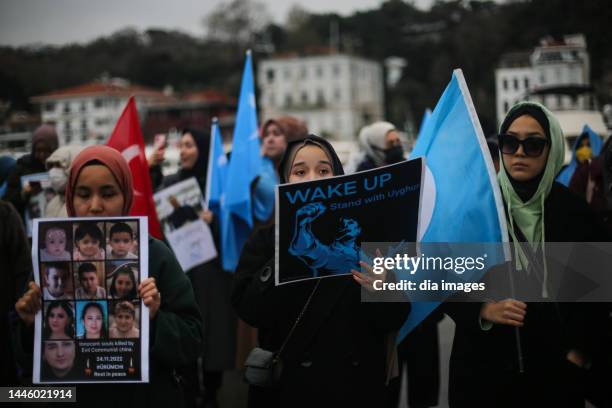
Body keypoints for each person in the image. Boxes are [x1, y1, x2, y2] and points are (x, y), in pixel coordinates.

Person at [443, 102, 608, 408]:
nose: (519, 152)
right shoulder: (479, 210)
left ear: (553, 148)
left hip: (555, 380)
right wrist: (482, 309)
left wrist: (577, 357)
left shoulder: (575, 214)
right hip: (482, 377)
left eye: (533, 144)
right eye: (509, 142)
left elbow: (597, 302)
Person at [232, 135, 411, 407]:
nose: (313, 178)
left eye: (324, 170)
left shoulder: (366, 241)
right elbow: (248, 309)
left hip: (355, 388)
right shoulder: (266, 241)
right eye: (300, 171)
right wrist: (280, 256)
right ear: (285, 182)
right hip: (289, 389)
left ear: (339, 178)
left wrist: (384, 288)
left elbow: (394, 319)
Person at [15, 145, 202, 405]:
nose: (94, 206)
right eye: (83, 194)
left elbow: (192, 340)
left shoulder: (155, 254)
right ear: (70, 197)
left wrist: (154, 319)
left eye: (108, 193)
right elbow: (28, 361)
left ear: (125, 195)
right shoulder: (50, 259)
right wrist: (29, 324)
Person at [157, 128, 234, 407]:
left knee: (215, 334)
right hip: (181, 270)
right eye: (181, 146)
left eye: (189, 145)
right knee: (185, 328)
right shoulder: (171, 183)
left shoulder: (218, 185)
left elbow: (234, 227)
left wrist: (214, 221)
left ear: (203, 148)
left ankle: (212, 393)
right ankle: (188, 392)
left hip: (211, 272)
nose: (184, 151)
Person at [253, 117, 308, 225]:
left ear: (292, 138)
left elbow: (272, 193)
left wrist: (262, 160)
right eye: (266, 135)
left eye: (276, 134)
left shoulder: (306, 171)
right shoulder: (262, 167)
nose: (269, 139)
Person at [4, 124, 59, 223]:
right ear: (33, 150)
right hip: (28, 228)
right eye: (38, 150)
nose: (42, 155)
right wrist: (23, 194)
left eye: (46, 151)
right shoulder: (22, 167)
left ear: (54, 149)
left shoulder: (60, 166)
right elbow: (7, 201)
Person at [44, 145, 83, 217]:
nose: (53, 170)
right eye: (51, 166)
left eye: (58, 165)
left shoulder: (81, 206)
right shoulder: (52, 204)